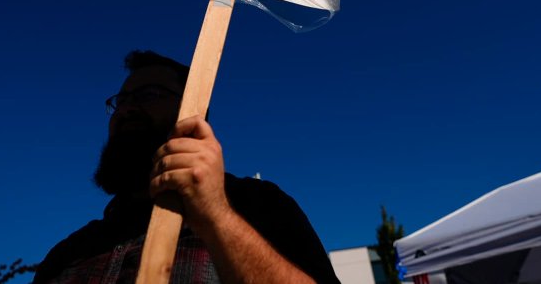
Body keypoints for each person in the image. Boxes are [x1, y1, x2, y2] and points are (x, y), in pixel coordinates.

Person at [34, 50, 340, 283]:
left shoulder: (258, 204)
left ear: (194, 110)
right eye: (121, 100)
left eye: (148, 95)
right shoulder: (69, 253)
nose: (126, 109)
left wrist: (216, 216)